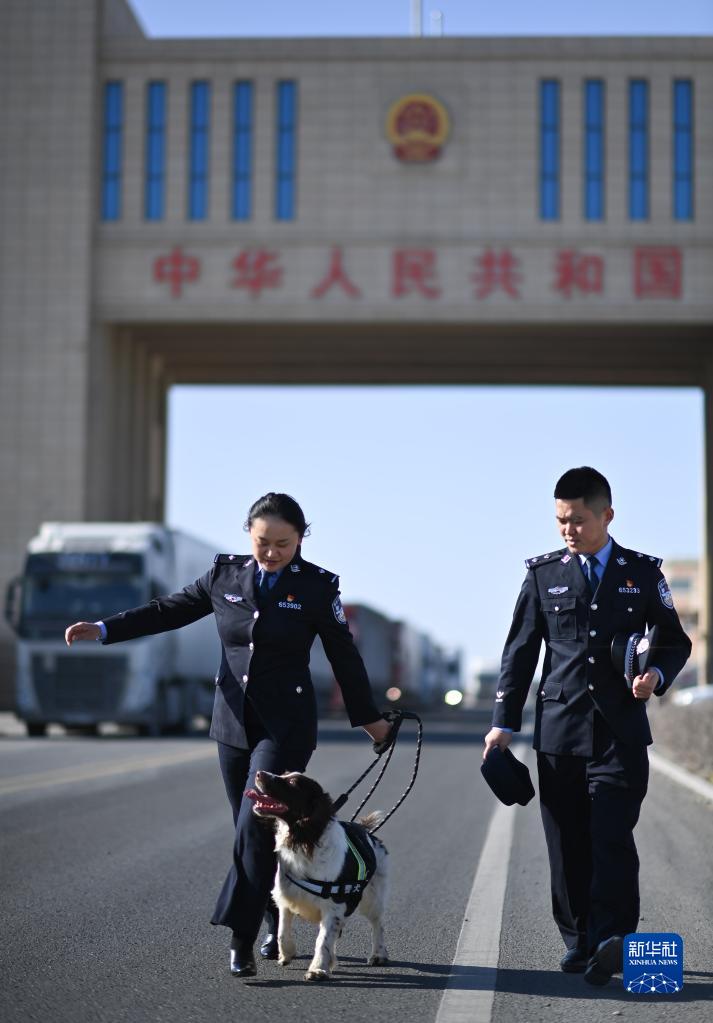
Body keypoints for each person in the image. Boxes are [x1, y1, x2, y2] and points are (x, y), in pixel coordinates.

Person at [65, 492, 392, 978]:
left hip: (284, 728)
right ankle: (270, 922)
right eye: (263, 542)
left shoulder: (317, 587)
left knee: (252, 827)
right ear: (248, 535)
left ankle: (240, 939)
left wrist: (371, 720)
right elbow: (168, 610)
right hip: (232, 724)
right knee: (251, 834)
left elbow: (344, 655)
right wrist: (104, 628)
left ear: (301, 539)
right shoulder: (224, 576)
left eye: (283, 543)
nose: (272, 552)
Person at [482, 467, 691, 987]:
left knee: (611, 835)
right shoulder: (542, 574)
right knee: (567, 842)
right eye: (560, 520)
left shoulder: (641, 572)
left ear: (606, 515)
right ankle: (578, 941)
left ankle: (612, 940)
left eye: (577, 520)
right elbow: (519, 653)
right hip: (560, 732)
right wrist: (503, 724)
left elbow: (674, 639)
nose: (567, 530)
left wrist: (655, 675)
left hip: (620, 731)